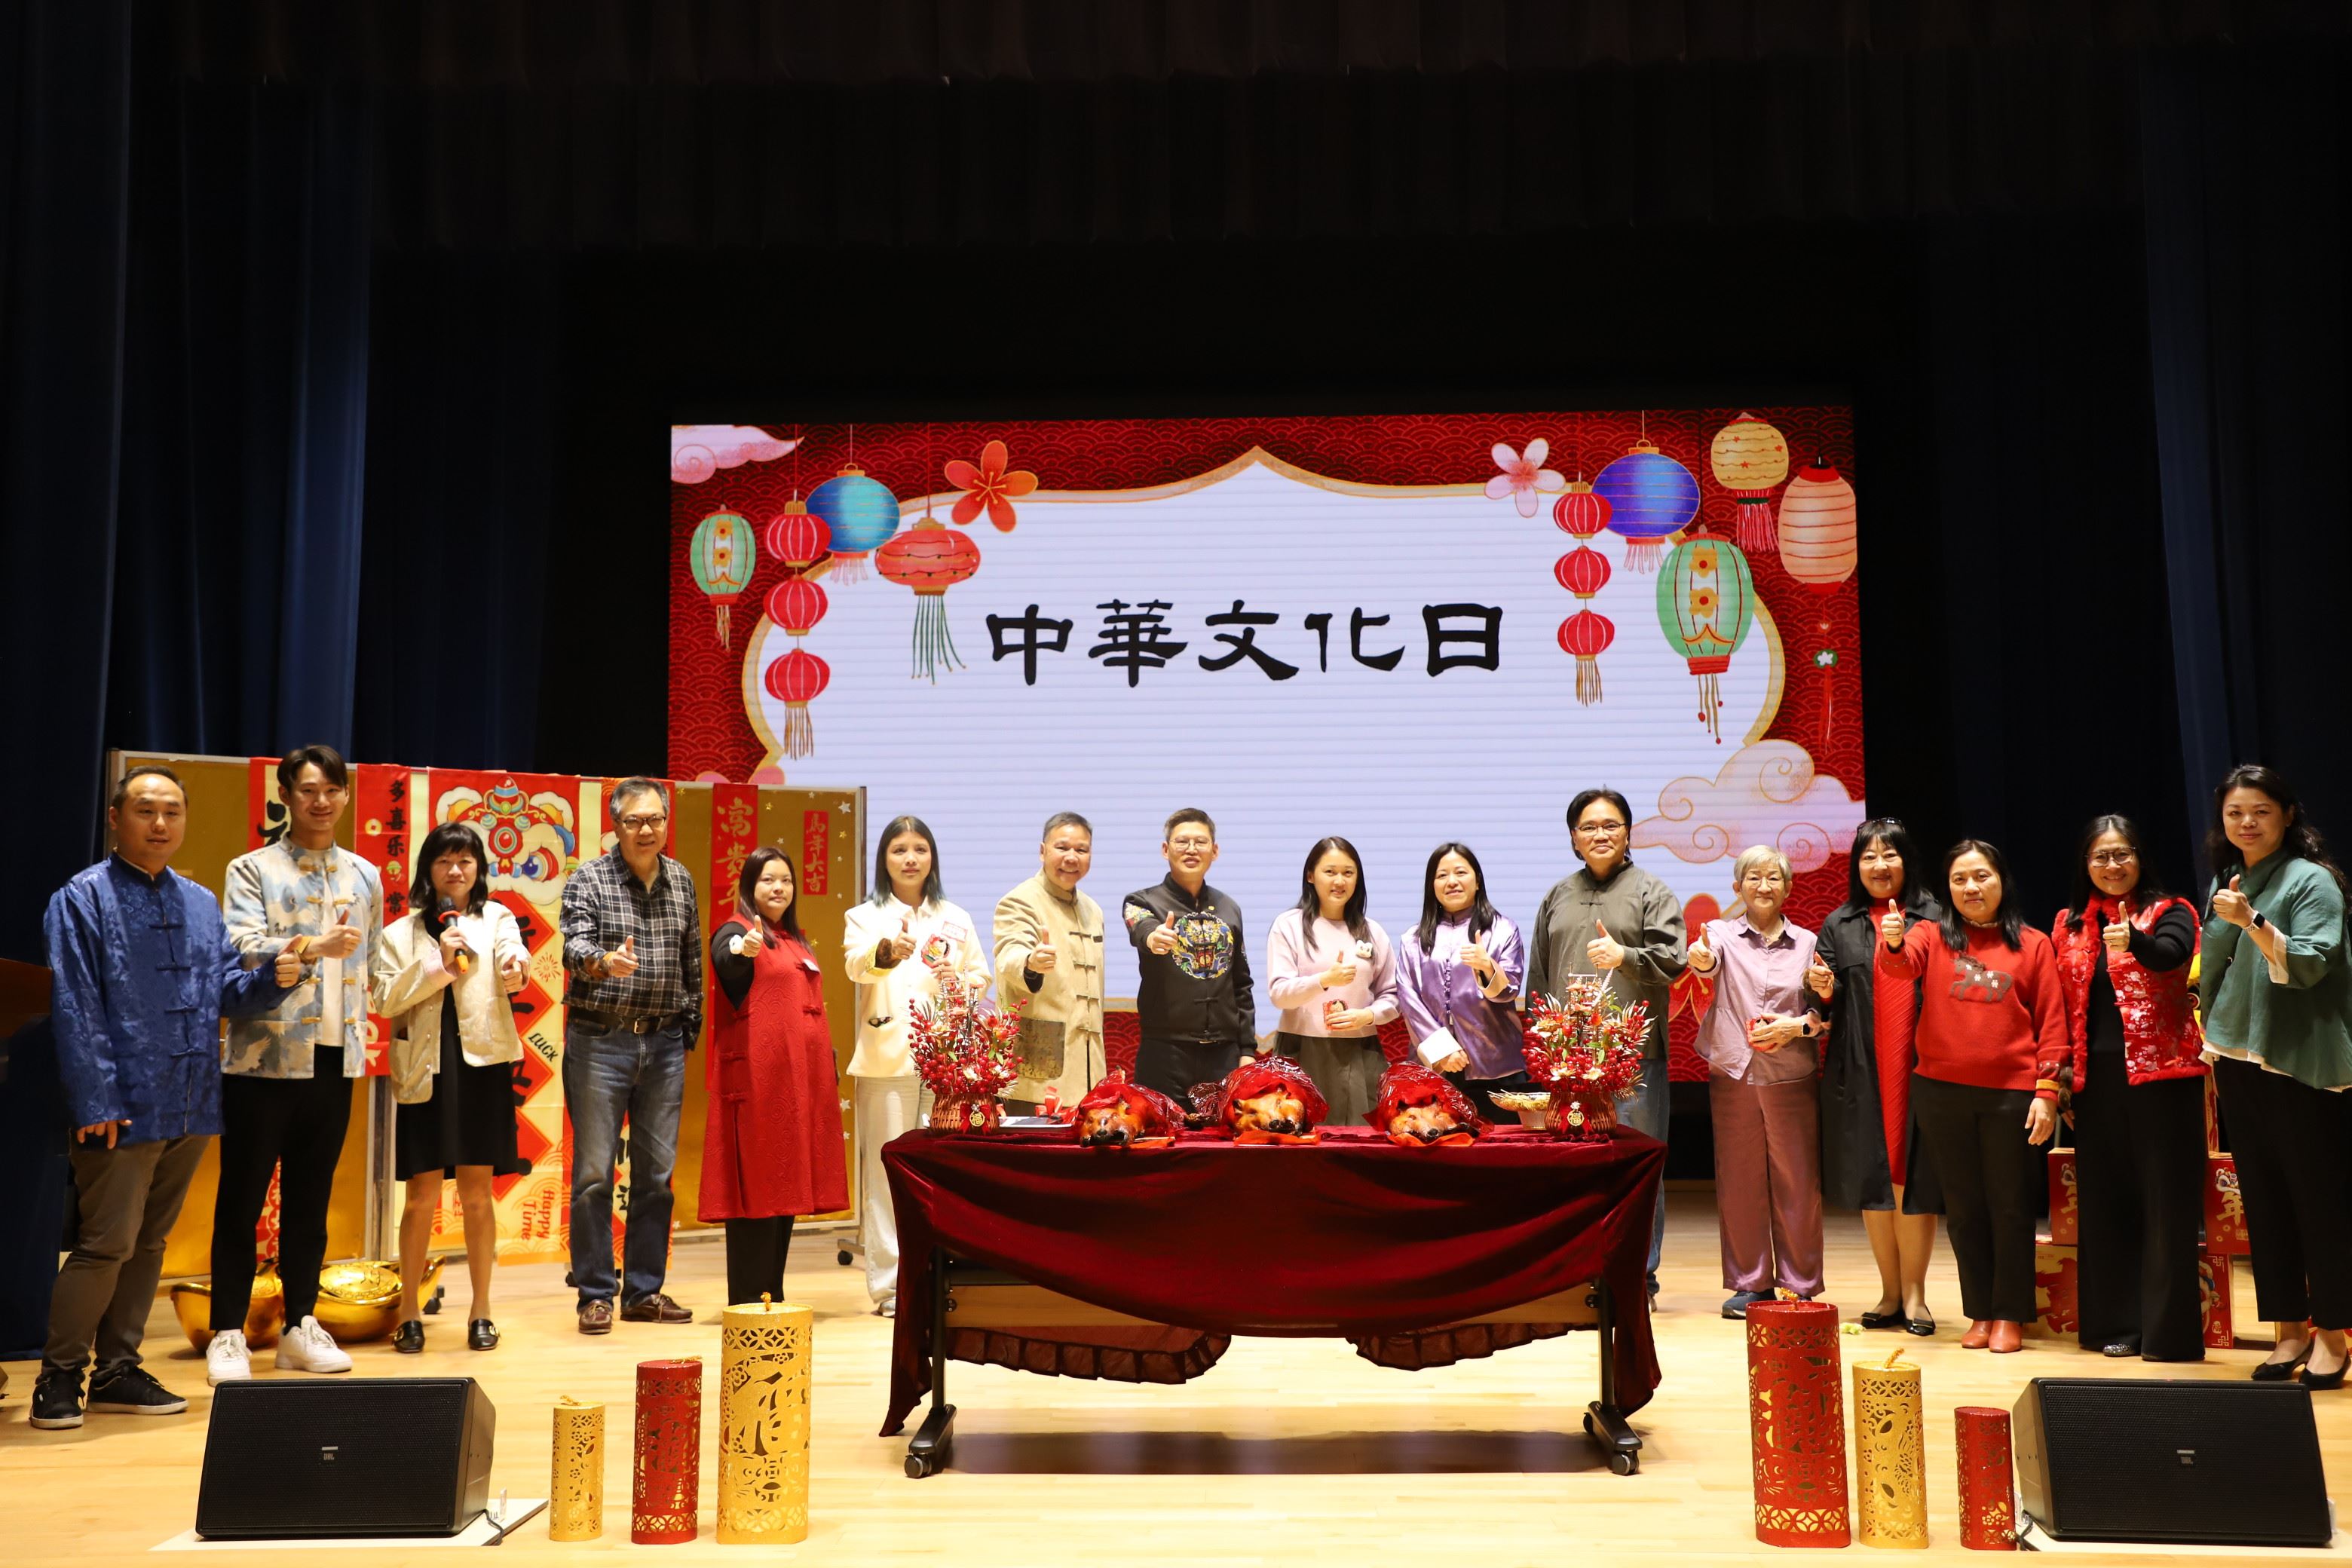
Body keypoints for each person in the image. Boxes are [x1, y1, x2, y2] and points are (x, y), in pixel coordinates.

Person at [33, 766, 299, 1430]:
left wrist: (276, 978)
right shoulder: (81, 898)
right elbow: (75, 1004)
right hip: (120, 1104)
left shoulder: (200, 902)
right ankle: (59, 1375)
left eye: (173, 812)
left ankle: (118, 1368)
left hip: (192, 1099)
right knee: (106, 1243)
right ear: (115, 819)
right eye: (146, 810)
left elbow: (225, 993)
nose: (160, 824)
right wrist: (94, 1098)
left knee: (150, 1243)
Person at [210, 743, 380, 1385]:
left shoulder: (364, 874)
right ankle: (228, 1331)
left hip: (335, 1057)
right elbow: (241, 945)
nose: (321, 801)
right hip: (263, 1058)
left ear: (345, 796)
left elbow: (371, 962)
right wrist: (311, 945)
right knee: (242, 1199)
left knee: (312, 1200)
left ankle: (300, 1326)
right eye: (308, 790)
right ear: (284, 796)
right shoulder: (252, 868)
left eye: (332, 790)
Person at [1876, 840, 2067, 1354]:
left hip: (2012, 1094)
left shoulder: (2034, 944)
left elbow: (2052, 1022)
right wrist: (1891, 942)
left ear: (2001, 880)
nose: (1971, 887)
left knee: (2011, 1206)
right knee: (1963, 1210)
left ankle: (2010, 1314)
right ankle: (1981, 1311)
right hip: (1941, 1093)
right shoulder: (1930, 935)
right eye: (1959, 879)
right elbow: (1901, 966)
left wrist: (2047, 1091)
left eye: (1981, 876)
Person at [2197, 764, 2352, 1389]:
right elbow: (2216, 969)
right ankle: (2289, 1331)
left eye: (2260, 811)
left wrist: (2253, 922)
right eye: (2235, 813)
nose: (2247, 823)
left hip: (2301, 1062)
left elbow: (2313, 963)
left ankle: (2333, 1336)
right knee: (2263, 1200)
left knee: (2319, 1201)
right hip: (2238, 1058)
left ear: (2287, 815)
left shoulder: (2312, 879)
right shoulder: (2226, 878)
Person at [2050, 813, 2204, 1361]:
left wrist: (2133, 939)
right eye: (2101, 856)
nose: (2112, 865)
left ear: (2139, 858)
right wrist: (2062, 1081)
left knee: (2166, 1207)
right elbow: (2062, 1007)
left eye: (2122, 854)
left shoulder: (2172, 911)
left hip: (2164, 1079)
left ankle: (2167, 1336)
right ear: (2085, 864)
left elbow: (2172, 956)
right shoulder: (2068, 924)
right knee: (2106, 1205)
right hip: (2096, 1085)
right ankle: (2115, 1325)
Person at [372, 822, 528, 1355]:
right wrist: (438, 964)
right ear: (428, 870)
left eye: (465, 860)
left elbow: (513, 955)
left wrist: (516, 968)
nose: (455, 870)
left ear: (479, 869)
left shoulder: (496, 918)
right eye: (444, 861)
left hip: (481, 1067)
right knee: (420, 1197)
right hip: (425, 1069)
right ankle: (409, 1312)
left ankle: (481, 1310)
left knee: (477, 1196)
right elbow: (385, 1000)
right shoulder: (399, 934)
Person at [1526, 788, 1686, 1292]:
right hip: (1567, 1060)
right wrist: (1540, 1046)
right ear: (1574, 837)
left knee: (1635, 1164)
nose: (1600, 834)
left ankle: (1637, 1277)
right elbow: (1538, 977)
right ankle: (1576, 1272)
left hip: (1632, 1059)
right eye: (1589, 827)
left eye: (1611, 825)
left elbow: (1673, 960)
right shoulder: (1557, 895)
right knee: (1572, 1166)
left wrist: (1625, 956)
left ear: (1628, 833)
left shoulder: (1651, 891)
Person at [559, 777, 703, 1335]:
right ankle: (596, 1294)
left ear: (666, 822)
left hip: (663, 1044)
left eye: (655, 820)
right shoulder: (590, 878)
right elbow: (573, 945)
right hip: (601, 1041)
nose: (646, 830)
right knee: (594, 1175)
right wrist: (603, 962)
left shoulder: (681, 879)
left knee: (657, 1178)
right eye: (634, 821)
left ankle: (644, 1292)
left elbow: (692, 961)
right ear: (615, 826)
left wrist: (688, 1028)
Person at [842, 815, 988, 1316]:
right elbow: (856, 967)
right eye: (899, 849)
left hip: (945, 1064)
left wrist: (958, 979)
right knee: (887, 1176)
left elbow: (980, 978)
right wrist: (887, 951)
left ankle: (937, 1278)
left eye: (920, 849)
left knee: (941, 1173)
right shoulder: (864, 916)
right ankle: (891, 1290)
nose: (910, 858)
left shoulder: (956, 916)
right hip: (887, 1059)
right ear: (884, 859)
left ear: (932, 858)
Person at [1684, 845, 1833, 1318]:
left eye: (1774, 878)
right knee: (1739, 1180)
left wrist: (1797, 1024)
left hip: (1791, 1073)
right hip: (1734, 1071)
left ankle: (1799, 1284)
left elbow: (1821, 1014)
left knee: (1798, 1180)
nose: (1764, 886)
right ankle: (1751, 1284)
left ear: (1788, 888)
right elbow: (1705, 962)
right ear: (1738, 887)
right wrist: (1699, 957)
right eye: (1754, 877)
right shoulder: (1720, 934)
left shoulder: (1808, 943)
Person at [1818, 817, 1943, 1336]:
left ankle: (1916, 1295)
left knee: (1913, 1178)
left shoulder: (1935, 916)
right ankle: (1890, 1292)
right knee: (1874, 1179)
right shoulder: (1840, 922)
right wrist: (1821, 988)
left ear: (1907, 861)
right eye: (1868, 856)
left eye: (1889, 854)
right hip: (1861, 1066)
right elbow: (1821, 998)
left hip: (1921, 1065)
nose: (1879, 865)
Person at [706, 847, 848, 1306]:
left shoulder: (793, 939)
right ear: (750, 886)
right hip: (759, 1085)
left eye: (786, 880)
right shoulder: (737, 931)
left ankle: (773, 1298)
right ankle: (750, 1301)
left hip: (796, 1084)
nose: (778, 888)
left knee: (783, 1189)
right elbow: (728, 960)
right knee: (759, 1188)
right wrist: (742, 950)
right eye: (768, 880)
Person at [1123, 809, 1259, 1100]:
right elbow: (1142, 929)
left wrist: (1247, 1050)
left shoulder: (1229, 909)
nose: (1192, 849)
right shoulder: (1141, 902)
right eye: (1182, 841)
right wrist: (1153, 938)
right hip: (1164, 1054)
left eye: (1200, 842)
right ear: (1166, 849)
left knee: (1222, 1131)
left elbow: (1241, 984)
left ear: (1215, 851)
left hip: (1223, 1056)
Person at [1266, 837, 1401, 1125]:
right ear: (1310, 876)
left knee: (1362, 1139)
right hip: (1301, 1048)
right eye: (1330, 872)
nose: (1339, 881)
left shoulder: (1373, 931)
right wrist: (1324, 980)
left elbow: (1392, 995)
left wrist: (1367, 1015)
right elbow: (1279, 994)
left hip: (1361, 1050)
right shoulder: (1288, 926)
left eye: (1348, 873)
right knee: (1300, 1134)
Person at [1395, 842, 1531, 1120]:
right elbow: (1409, 999)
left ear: (1477, 881)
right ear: (1432, 885)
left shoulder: (1503, 930)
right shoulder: (1412, 939)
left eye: (1460, 872)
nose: (1452, 881)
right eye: (1442, 875)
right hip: (1436, 1066)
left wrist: (1487, 967)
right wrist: (1442, 1050)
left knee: (1505, 1143)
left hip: (1497, 1064)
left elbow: (1509, 990)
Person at [993, 812, 1107, 1113]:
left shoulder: (1092, 910)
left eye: (1081, 850)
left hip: (1089, 1073)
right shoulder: (1020, 901)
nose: (1071, 857)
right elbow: (1009, 954)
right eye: (1062, 847)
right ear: (1043, 851)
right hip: (1035, 1071)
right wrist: (1030, 963)